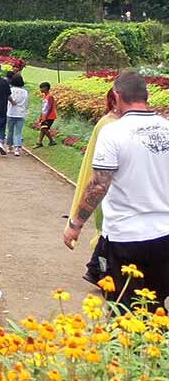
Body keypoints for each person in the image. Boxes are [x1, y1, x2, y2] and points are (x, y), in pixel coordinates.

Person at [63, 72, 169, 307]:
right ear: (146, 95)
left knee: (122, 308)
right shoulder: (166, 127)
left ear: (117, 95)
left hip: (126, 238)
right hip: (164, 236)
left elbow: (99, 184)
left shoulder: (113, 132)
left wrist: (75, 225)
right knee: (156, 308)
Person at [70, 90, 119, 284]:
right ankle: (101, 272)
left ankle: (97, 270)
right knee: (105, 236)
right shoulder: (109, 125)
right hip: (107, 188)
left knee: (106, 237)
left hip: (112, 187)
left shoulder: (112, 123)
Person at [6, 73, 29, 157]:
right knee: (18, 132)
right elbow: (26, 103)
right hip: (21, 113)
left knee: (10, 130)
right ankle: (17, 148)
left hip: (11, 112)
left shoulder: (10, 90)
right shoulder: (25, 92)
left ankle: (9, 146)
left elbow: (8, 100)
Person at [35, 82, 58, 147]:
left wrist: (45, 117)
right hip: (45, 116)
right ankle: (39, 142)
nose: (40, 89)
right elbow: (44, 108)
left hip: (50, 116)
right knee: (43, 129)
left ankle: (51, 141)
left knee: (44, 129)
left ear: (45, 88)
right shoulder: (45, 96)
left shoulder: (50, 97)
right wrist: (41, 116)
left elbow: (49, 108)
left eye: (41, 88)